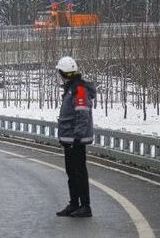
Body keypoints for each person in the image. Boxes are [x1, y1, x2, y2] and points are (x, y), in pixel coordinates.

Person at [55, 56, 95, 218]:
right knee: (71, 174)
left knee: (78, 173)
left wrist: (77, 138)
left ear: (64, 73)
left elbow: (82, 115)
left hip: (76, 140)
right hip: (69, 139)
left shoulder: (78, 90)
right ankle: (74, 204)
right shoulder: (71, 88)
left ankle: (85, 206)